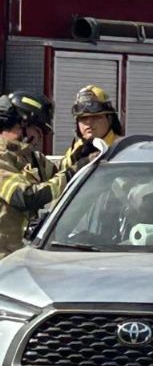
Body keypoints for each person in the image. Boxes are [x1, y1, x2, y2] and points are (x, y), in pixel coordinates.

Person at [0, 91, 79, 258]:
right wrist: (70, 174)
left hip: (18, 256)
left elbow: (58, 171)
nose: (40, 138)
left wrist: (80, 156)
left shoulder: (27, 157)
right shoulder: (2, 157)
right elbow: (25, 197)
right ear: (21, 124)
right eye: (38, 130)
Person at [60, 85, 123, 169]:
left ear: (110, 119)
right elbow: (61, 172)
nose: (89, 122)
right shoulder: (76, 149)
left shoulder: (121, 148)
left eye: (96, 117)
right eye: (83, 118)